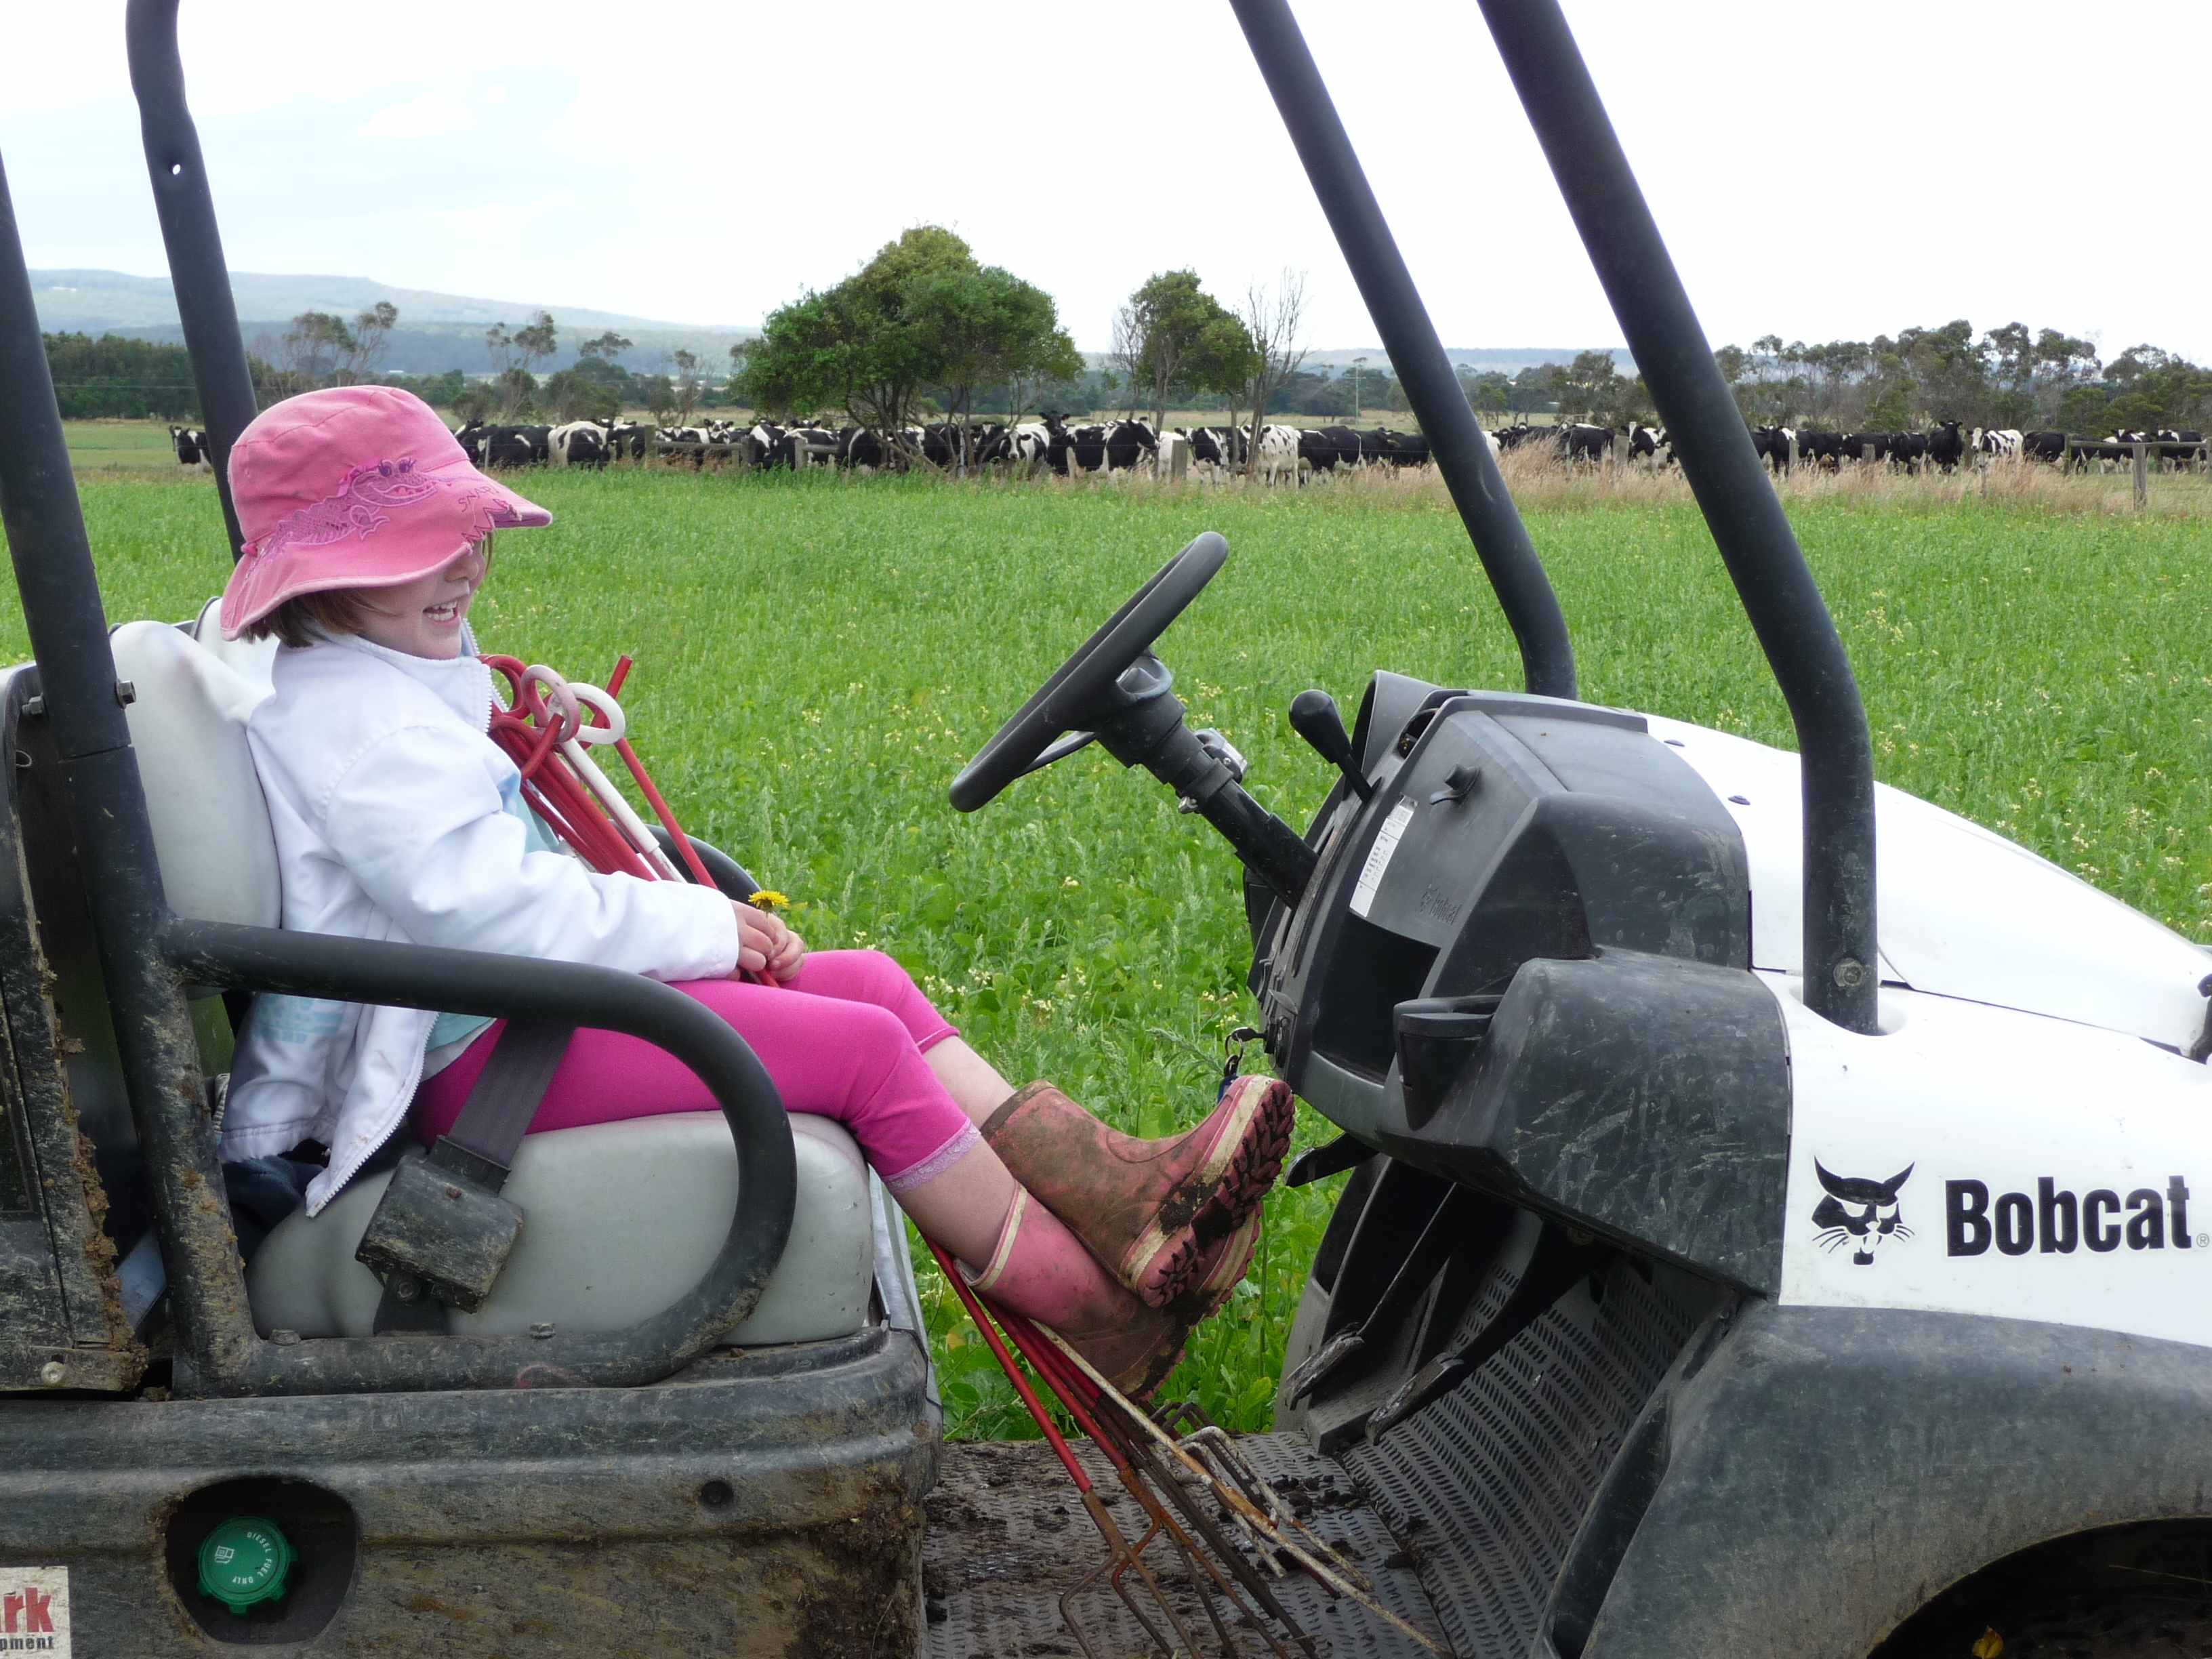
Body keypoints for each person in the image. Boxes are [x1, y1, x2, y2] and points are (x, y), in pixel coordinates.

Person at [212, 386, 1294, 1397]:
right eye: (418, 550)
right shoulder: (367, 728)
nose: (463, 568)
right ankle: (1093, 1314)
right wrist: (695, 925)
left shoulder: (376, 678)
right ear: (323, 579)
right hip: (468, 1063)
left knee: (869, 982)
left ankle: (1125, 1207)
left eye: (469, 538)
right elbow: (494, 912)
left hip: (507, 1017)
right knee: (863, 1054)